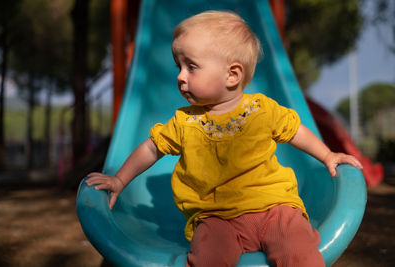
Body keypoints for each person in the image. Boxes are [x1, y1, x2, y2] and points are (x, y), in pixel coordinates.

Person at [85, 10, 363, 267]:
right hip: (216, 218)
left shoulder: (262, 109)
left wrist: (328, 155)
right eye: (178, 67)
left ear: (232, 74)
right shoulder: (185, 121)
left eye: (191, 67)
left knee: (299, 250)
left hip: (276, 208)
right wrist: (119, 179)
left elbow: (295, 130)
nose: (180, 77)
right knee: (206, 258)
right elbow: (150, 148)